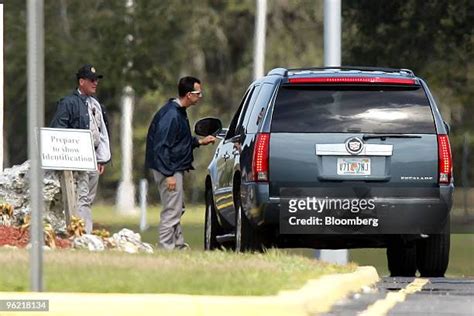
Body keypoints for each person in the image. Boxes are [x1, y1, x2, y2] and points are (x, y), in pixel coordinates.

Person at [145, 76, 216, 250]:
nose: (200, 96)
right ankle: (165, 248)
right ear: (188, 94)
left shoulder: (178, 112)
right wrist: (169, 174)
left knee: (177, 208)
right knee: (172, 211)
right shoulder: (171, 115)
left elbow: (178, 142)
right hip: (168, 168)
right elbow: (160, 147)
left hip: (173, 167)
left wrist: (199, 142)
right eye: (198, 93)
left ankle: (178, 246)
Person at [50, 64, 111, 234]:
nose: (95, 83)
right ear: (81, 81)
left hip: (93, 156)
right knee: (81, 197)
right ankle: (83, 234)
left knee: (87, 198)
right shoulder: (68, 103)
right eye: (91, 80)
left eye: (96, 80)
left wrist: (102, 157)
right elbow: (58, 129)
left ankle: (82, 231)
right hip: (78, 158)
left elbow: (101, 132)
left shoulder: (96, 104)